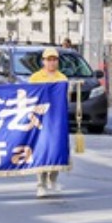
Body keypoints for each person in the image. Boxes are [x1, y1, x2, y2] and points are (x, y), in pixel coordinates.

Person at [29, 47, 67, 198]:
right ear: (43, 61)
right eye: (48, 59)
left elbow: (66, 98)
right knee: (42, 150)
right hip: (41, 120)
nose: (51, 62)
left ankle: (53, 179)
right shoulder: (35, 78)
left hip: (57, 119)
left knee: (57, 149)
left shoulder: (62, 78)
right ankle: (41, 184)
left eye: (54, 59)